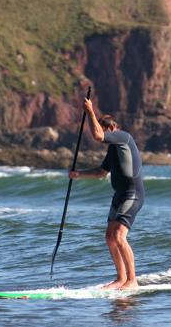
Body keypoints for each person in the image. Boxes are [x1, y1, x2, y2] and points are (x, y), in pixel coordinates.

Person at [69, 98, 144, 290]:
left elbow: (97, 136)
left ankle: (132, 280)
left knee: (119, 236)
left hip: (132, 194)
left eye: (106, 129)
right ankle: (121, 279)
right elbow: (101, 173)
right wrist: (78, 175)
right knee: (109, 237)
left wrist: (90, 112)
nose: (105, 134)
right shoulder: (113, 151)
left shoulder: (123, 137)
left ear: (113, 128)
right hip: (119, 195)